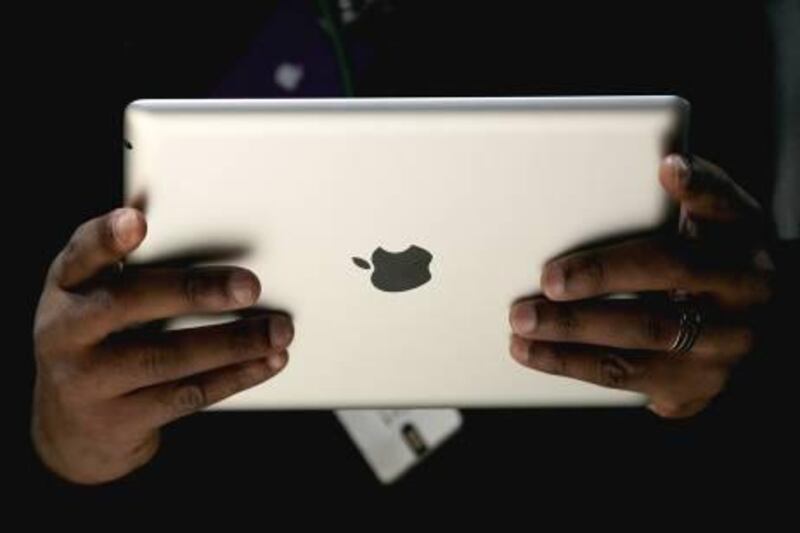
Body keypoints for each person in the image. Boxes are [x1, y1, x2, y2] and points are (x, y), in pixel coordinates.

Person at [30, 1, 796, 487]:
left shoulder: (681, 20)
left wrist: (748, 352)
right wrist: (58, 442)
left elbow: (744, 299)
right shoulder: (80, 38)